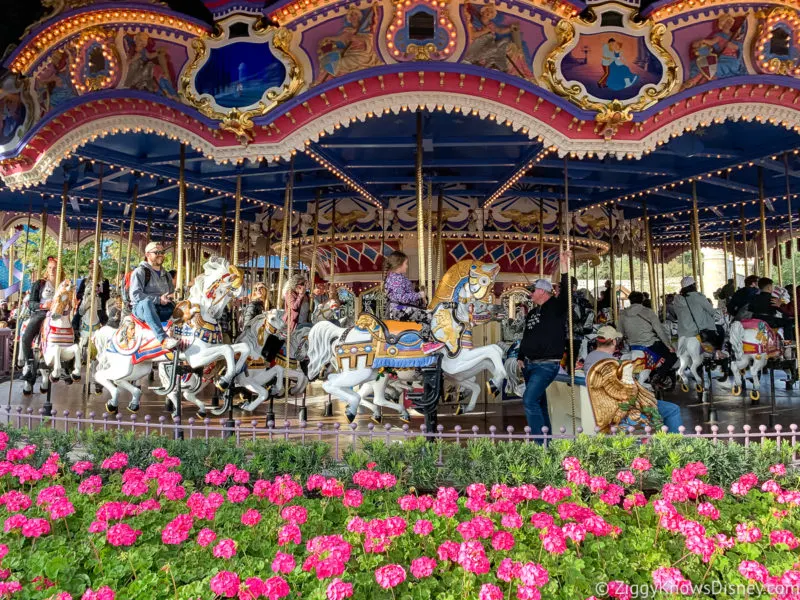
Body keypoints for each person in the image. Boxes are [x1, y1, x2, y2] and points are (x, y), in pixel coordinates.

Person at [583, 325, 683, 432]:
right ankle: (675, 442)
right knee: (673, 410)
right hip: (622, 407)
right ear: (614, 342)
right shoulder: (612, 363)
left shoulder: (590, 357)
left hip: (603, 404)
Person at [516, 251, 571, 440]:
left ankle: (539, 444)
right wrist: (520, 357)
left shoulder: (556, 307)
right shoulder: (532, 313)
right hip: (530, 364)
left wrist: (564, 268)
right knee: (539, 404)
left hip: (546, 364)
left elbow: (567, 292)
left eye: (533, 289)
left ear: (543, 292)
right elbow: (527, 336)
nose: (530, 293)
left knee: (529, 400)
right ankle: (547, 442)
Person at [384, 251, 443, 353]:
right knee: (428, 315)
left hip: (400, 308)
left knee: (425, 312)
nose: (406, 267)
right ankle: (426, 343)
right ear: (399, 264)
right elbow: (401, 298)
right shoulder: (395, 278)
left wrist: (420, 300)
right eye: (405, 264)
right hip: (398, 309)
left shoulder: (398, 277)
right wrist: (419, 295)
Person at [618, 291, 677, 385]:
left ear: (630, 301)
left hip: (633, 346)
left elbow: (619, 333)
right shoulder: (648, 312)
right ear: (642, 300)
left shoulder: (623, 314)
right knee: (673, 356)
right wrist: (669, 346)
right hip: (650, 345)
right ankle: (658, 375)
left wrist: (616, 344)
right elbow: (659, 331)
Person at [130, 242, 178, 350]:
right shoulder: (140, 272)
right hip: (142, 309)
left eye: (162, 252)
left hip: (162, 308)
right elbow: (135, 295)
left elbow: (170, 292)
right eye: (157, 252)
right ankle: (163, 339)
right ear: (147, 255)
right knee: (147, 303)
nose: (161, 254)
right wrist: (158, 299)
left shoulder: (166, 275)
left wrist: (170, 297)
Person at [21, 257, 60, 379]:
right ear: (47, 269)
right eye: (50, 268)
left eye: (55, 268)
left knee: (73, 333)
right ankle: (29, 363)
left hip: (58, 314)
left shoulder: (63, 284)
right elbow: (31, 303)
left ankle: (67, 366)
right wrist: (43, 305)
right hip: (41, 313)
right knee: (26, 337)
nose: (52, 270)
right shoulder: (40, 283)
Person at [673, 276, 723, 353]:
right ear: (693, 285)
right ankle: (717, 353)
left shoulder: (677, 300)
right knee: (720, 329)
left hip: (682, 332)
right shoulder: (698, 297)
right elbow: (711, 311)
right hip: (698, 330)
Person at [72, 259, 110, 336]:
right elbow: (78, 294)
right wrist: (87, 294)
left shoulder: (104, 281)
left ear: (99, 270)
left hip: (98, 307)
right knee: (76, 317)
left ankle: (105, 336)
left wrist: (98, 294)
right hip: (85, 306)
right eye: (90, 269)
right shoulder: (85, 281)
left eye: (94, 268)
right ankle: (74, 332)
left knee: (105, 321)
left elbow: (107, 296)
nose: (92, 270)